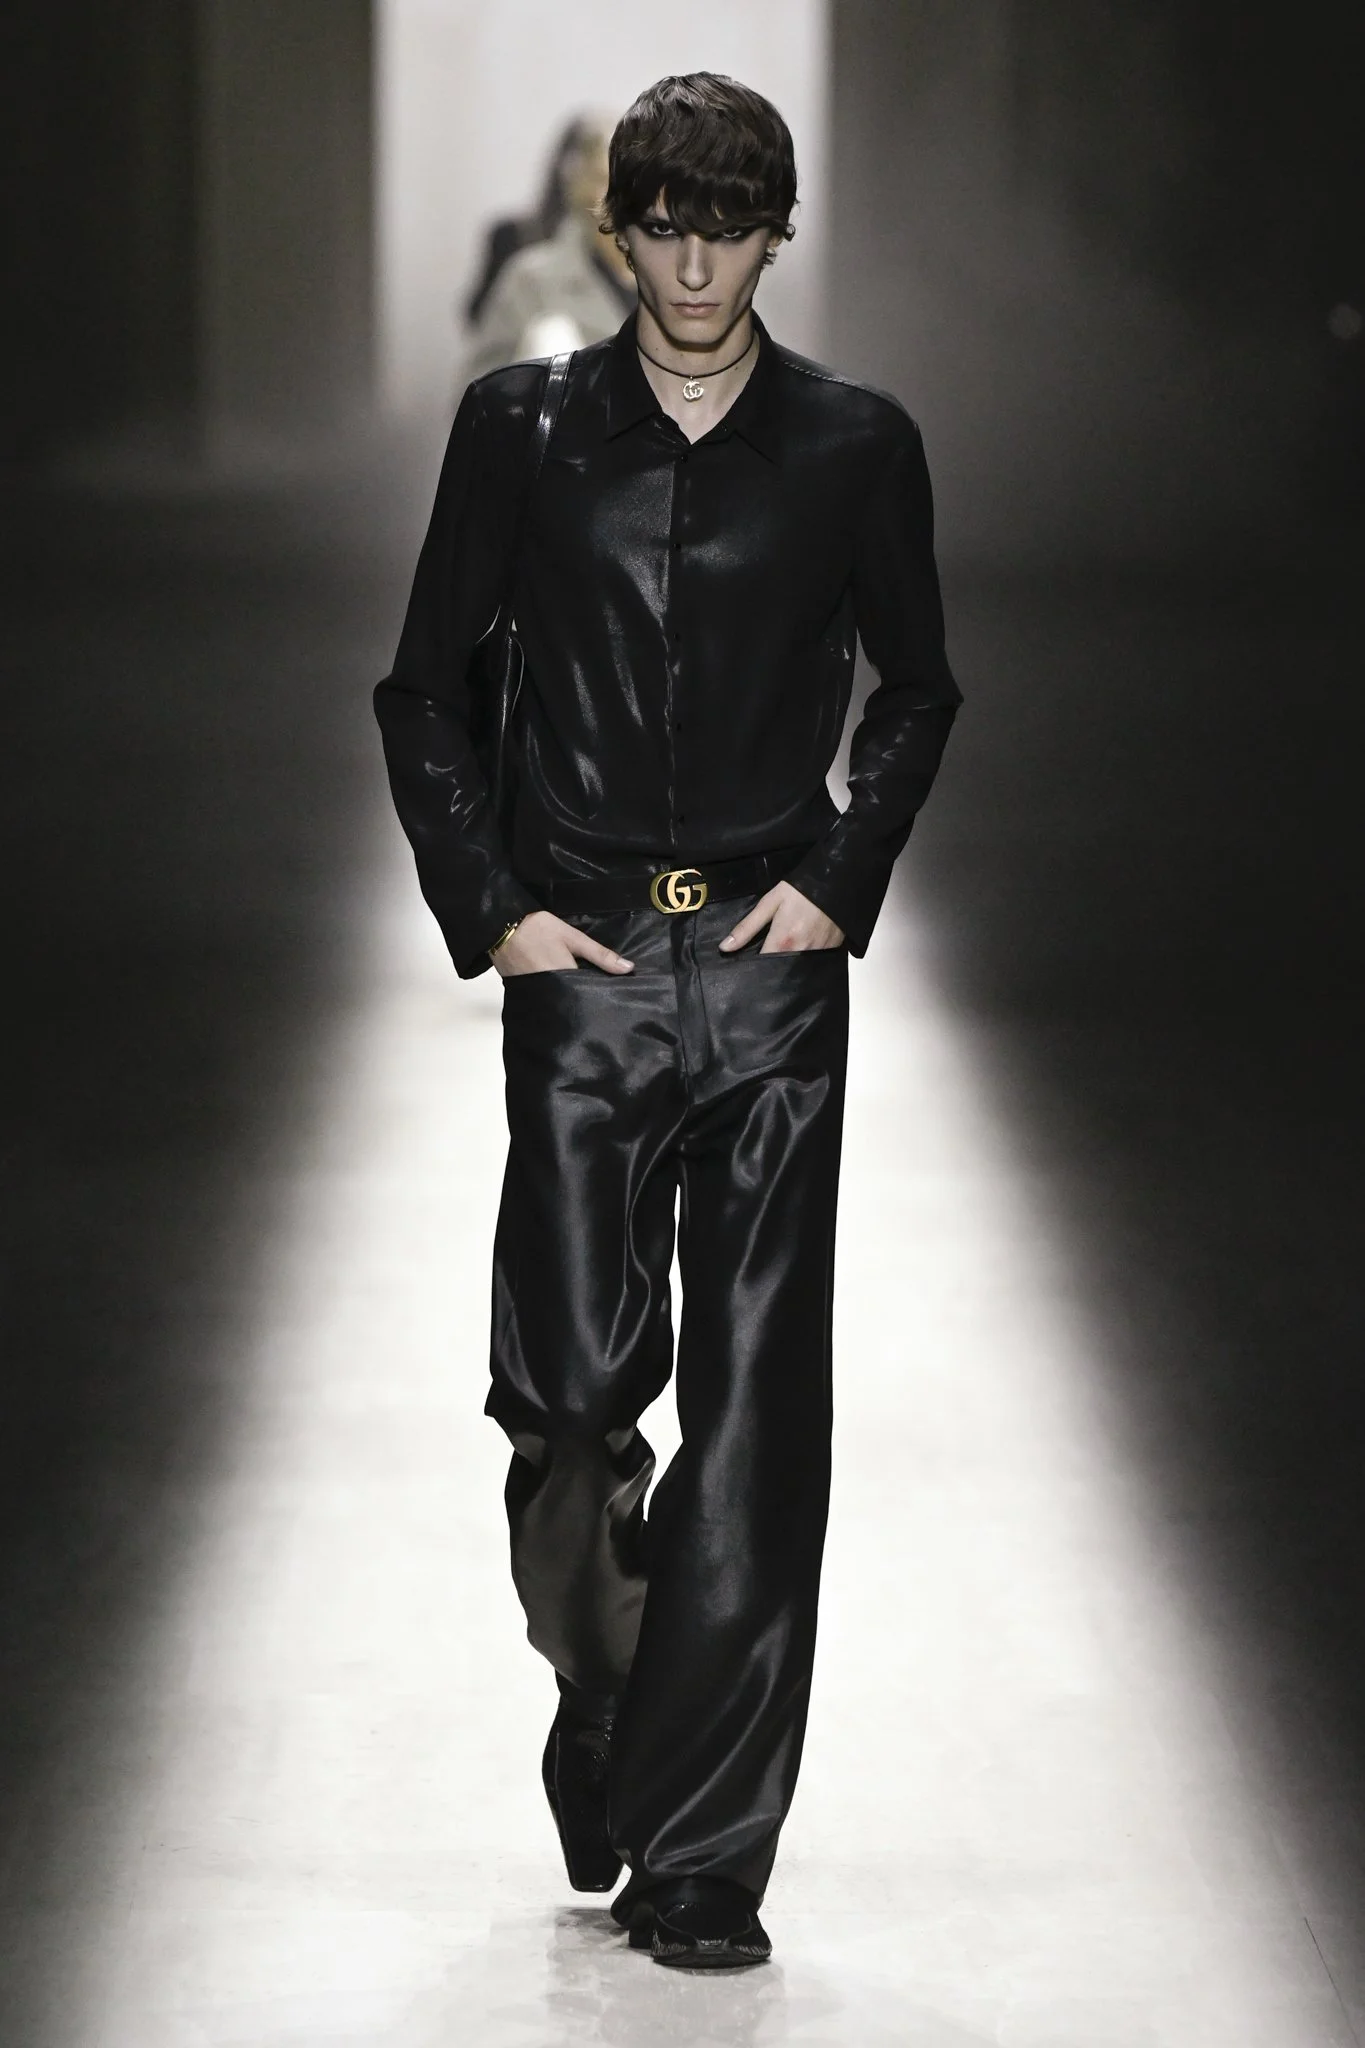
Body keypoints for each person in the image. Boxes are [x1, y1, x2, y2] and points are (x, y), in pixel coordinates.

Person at [375, 71, 961, 1971]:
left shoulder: (855, 445)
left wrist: (842, 880)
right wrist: (498, 912)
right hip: (591, 967)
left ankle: (703, 1851)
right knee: (564, 1402)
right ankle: (613, 1689)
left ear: (778, 234)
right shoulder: (524, 432)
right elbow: (423, 687)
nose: (699, 266)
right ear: (617, 230)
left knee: (759, 1411)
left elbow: (919, 686)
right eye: (667, 225)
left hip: (774, 971)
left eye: (731, 227)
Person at [459, 115, 635, 384]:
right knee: (551, 336)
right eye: (603, 179)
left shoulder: (681, 276)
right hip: (561, 406)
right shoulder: (532, 279)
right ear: (582, 188)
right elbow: (478, 388)